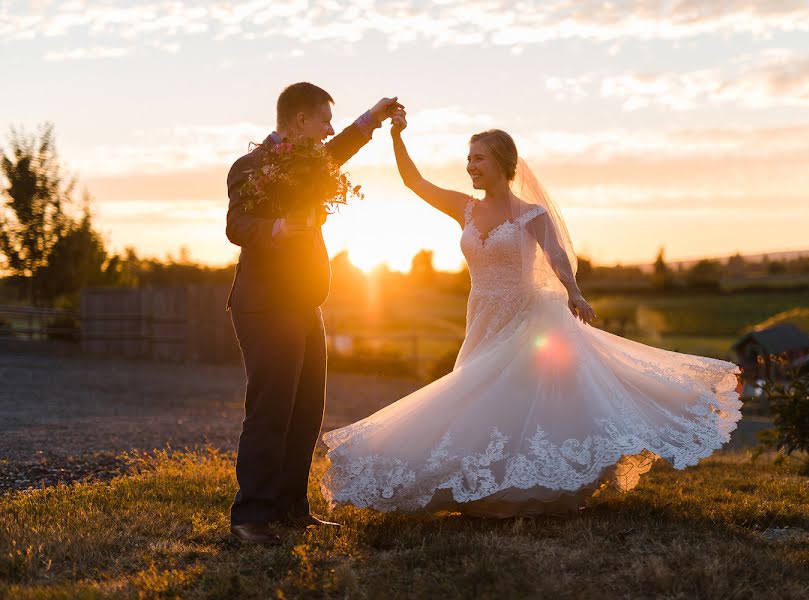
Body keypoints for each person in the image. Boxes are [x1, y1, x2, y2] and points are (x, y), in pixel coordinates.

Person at [319, 113, 742, 517]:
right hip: (483, 313)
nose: (470, 167)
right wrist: (397, 136)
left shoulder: (531, 214)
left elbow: (556, 254)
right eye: (468, 159)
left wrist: (574, 292)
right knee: (477, 395)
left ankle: (527, 490)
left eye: (478, 158)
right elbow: (413, 182)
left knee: (519, 398)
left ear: (503, 162)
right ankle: (482, 484)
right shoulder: (465, 208)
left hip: (526, 317)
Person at [225, 82, 401, 544]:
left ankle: (290, 509)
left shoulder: (309, 163)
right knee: (271, 410)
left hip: (305, 304)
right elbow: (237, 225)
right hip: (264, 306)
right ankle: (251, 516)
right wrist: (280, 227)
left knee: (306, 410)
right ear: (300, 121)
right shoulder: (250, 166)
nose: (328, 131)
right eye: (323, 120)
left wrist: (374, 116)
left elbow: (341, 146)